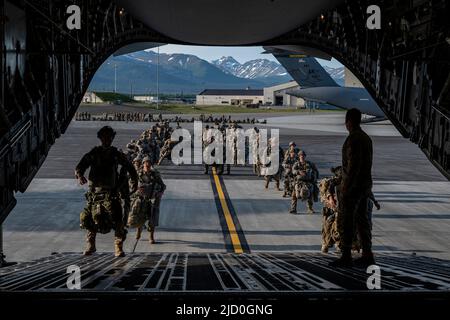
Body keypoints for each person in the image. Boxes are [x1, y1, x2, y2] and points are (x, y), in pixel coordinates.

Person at [75, 126, 138, 257]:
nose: (107, 140)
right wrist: (80, 175)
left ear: (112, 138)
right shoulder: (94, 153)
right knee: (87, 219)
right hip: (94, 194)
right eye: (104, 137)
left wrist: (134, 182)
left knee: (118, 219)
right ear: (100, 138)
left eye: (109, 137)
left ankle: (118, 246)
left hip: (110, 193)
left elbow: (129, 167)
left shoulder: (115, 154)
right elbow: (80, 166)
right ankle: (91, 244)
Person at [330, 108, 375, 268]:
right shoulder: (366, 138)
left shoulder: (353, 139)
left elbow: (352, 166)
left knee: (346, 221)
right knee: (363, 221)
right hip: (365, 186)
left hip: (353, 188)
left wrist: (345, 188)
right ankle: (367, 254)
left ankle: (346, 255)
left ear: (348, 121)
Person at [131, 156, 166, 244]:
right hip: (141, 198)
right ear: (143, 164)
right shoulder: (138, 173)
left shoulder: (155, 174)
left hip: (152, 198)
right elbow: (132, 184)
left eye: (149, 163)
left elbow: (163, 186)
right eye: (146, 163)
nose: (147, 165)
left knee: (152, 218)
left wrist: (159, 193)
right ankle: (139, 230)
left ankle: (151, 236)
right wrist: (136, 190)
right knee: (139, 216)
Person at [289, 150, 319, 214]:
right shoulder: (296, 164)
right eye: (300, 155)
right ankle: (293, 209)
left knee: (311, 193)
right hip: (299, 181)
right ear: (299, 156)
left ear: (305, 156)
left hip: (308, 181)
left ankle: (310, 208)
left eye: (303, 155)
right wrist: (298, 172)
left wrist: (315, 178)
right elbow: (293, 171)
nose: (302, 156)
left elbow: (316, 171)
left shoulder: (310, 163)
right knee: (294, 195)